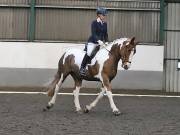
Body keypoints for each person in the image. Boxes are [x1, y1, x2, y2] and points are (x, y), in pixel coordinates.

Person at [80, 7, 108, 76]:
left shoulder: (105, 24)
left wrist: (106, 41)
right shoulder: (94, 23)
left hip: (100, 44)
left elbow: (105, 34)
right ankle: (82, 67)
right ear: (99, 15)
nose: (104, 16)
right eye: (103, 15)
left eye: (105, 15)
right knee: (89, 53)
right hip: (92, 42)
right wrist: (98, 40)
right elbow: (93, 33)